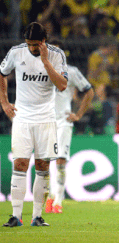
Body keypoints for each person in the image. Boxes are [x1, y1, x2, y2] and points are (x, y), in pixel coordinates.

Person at [0, 22, 68, 227]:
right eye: (29, 44)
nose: (31, 49)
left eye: (35, 45)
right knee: (19, 164)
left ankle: (37, 216)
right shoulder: (16, 52)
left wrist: (46, 62)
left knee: (42, 165)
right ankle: (16, 215)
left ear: (43, 41)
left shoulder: (56, 55)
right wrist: (3, 102)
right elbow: (2, 74)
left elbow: (62, 85)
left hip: (46, 118)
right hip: (22, 117)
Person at [45, 39, 94, 214]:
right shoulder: (39, 71)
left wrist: (78, 114)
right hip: (44, 122)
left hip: (63, 122)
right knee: (45, 161)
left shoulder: (71, 72)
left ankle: (57, 201)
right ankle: (51, 196)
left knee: (59, 161)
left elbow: (89, 91)